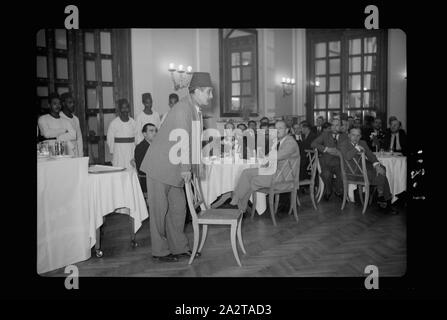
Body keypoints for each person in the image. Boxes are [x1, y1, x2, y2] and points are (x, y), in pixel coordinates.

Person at [140, 72, 213, 262]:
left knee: (178, 209)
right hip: (160, 166)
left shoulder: (196, 109)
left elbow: (194, 142)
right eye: (209, 92)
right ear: (196, 91)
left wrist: (194, 168)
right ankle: (160, 251)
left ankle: (179, 247)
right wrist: (186, 169)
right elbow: (183, 140)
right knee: (159, 212)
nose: (211, 96)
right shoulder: (182, 109)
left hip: (176, 167)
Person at [229, 120, 300, 212]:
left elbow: (276, 156)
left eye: (280, 128)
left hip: (283, 179)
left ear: (287, 130)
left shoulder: (290, 142)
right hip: (274, 172)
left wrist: (263, 158)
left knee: (252, 180)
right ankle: (238, 205)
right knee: (246, 172)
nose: (277, 130)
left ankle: (238, 206)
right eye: (276, 128)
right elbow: (269, 158)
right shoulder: (279, 141)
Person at [339, 127, 397, 214]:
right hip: (353, 173)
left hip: (364, 170)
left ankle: (381, 197)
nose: (356, 138)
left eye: (358, 135)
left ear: (361, 136)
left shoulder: (363, 143)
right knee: (381, 174)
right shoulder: (343, 144)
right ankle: (384, 200)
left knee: (381, 168)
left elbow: (370, 155)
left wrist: (376, 165)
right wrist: (357, 148)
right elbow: (347, 156)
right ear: (349, 135)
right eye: (353, 135)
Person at [311, 118, 347, 201]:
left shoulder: (344, 136)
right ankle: (328, 190)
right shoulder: (325, 134)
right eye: (333, 125)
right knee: (326, 174)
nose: (334, 127)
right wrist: (326, 149)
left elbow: (346, 149)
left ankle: (338, 191)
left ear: (341, 127)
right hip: (327, 162)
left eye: (337, 125)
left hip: (339, 163)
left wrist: (338, 152)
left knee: (342, 174)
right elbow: (313, 144)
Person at [106, 99, 138, 170]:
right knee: (119, 169)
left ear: (129, 109)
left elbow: (137, 137)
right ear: (119, 109)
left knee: (131, 169)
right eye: (123, 108)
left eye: (126, 107)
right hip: (118, 151)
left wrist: (136, 150)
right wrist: (113, 151)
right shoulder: (114, 123)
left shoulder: (133, 123)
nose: (125, 110)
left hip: (130, 150)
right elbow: (110, 138)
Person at [131, 123, 157, 193]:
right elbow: (141, 169)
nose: (154, 133)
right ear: (144, 134)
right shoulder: (140, 147)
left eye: (155, 131)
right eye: (151, 131)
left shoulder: (157, 146)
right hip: (147, 182)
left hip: (157, 181)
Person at [59, 92, 83, 156]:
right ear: (63, 104)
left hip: (76, 152)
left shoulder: (75, 119)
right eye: (70, 103)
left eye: (73, 102)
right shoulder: (59, 117)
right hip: (64, 152)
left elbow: (79, 138)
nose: (73, 105)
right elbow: (59, 137)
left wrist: (80, 154)